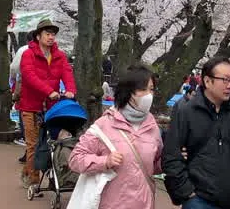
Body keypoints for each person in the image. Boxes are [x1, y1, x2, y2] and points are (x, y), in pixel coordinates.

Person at [163, 56, 230, 209]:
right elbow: (171, 156)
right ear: (207, 81)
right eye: (225, 80)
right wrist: (186, 192)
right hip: (198, 199)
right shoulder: (187, 112)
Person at [69, 65, 163, 209]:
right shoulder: (104, 124)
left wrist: (173, 158)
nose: (148, 95)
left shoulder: (153, 127)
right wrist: (105, 161)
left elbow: (154, 165)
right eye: (143, 89)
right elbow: (75, 159)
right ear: (129, 92)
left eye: (151, 89)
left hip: (144, 203)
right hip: (112, 203)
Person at [17, 19, 76, 188]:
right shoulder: (28, 54)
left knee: (54, 141)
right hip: (31, 106)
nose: (51, 37)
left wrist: (71, 90)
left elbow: (67, 73)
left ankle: (53, 176)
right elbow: (29, 76)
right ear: (38, 36)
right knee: (33, 143)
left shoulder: (60, 55)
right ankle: (33, 177)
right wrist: (48, 91)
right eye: (47, 34)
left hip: (52, 107)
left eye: (53, 34)